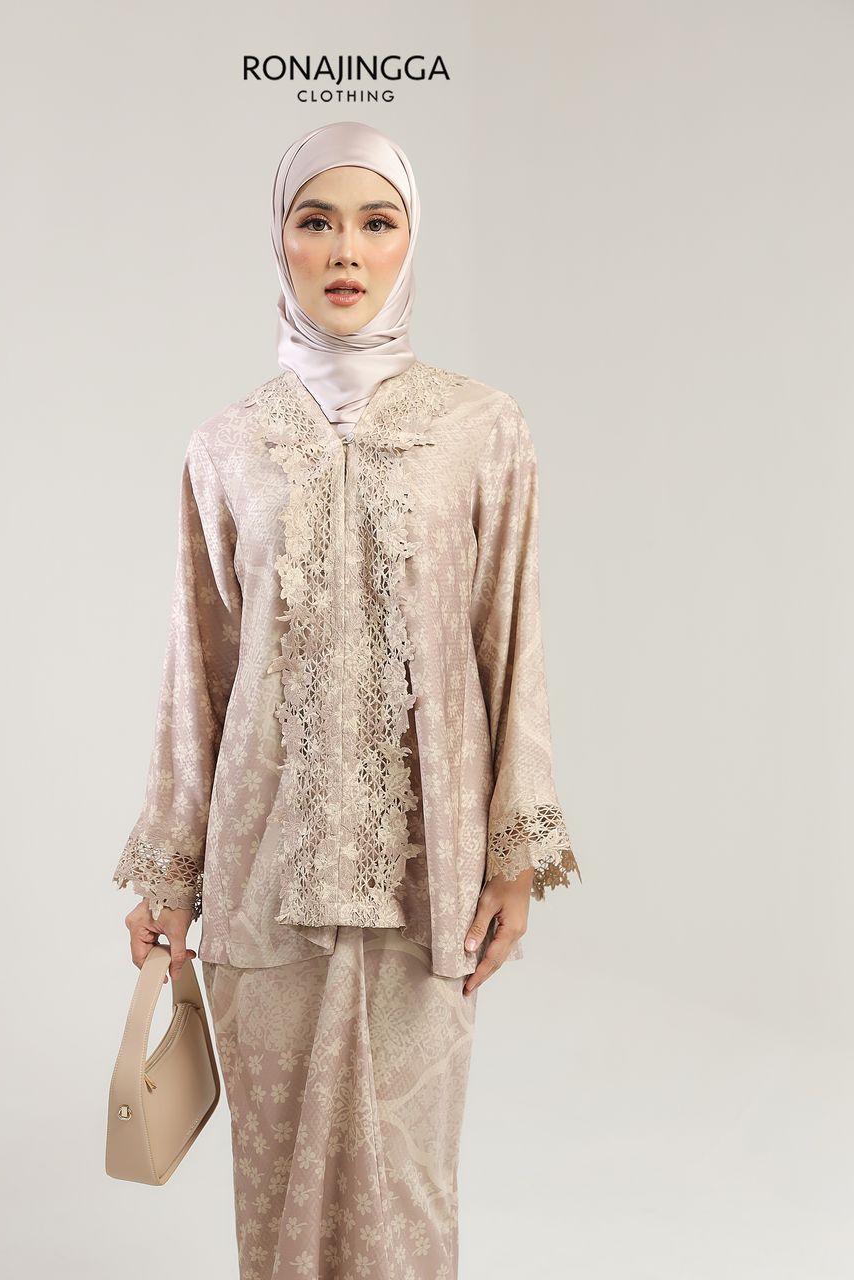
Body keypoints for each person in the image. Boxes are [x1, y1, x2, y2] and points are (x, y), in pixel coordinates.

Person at [111, 120, 581, 1279]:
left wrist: (513, 858)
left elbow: (509, 643)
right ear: (278, 239)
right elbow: (198, 671)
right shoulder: (226, 447)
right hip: (262, 881)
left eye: (377, 222)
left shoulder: (481, 430)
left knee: (407, 1194)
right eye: (314, 221)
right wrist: (171, 870)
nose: (344, 250)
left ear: (411, 241)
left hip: (429, 881)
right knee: (278, 1195)